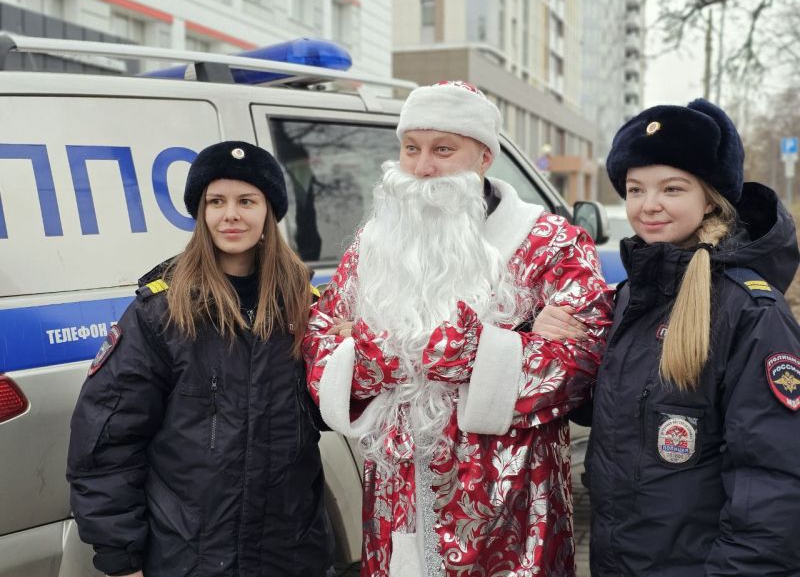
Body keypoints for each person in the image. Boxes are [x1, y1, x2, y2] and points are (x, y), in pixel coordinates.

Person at [303, 80, 614, 576]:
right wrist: (367, 358)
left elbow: (584, 358)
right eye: (411, 149)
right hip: (398, 504)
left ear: (485, 156)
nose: (423, 167)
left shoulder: (550, 242)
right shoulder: (374, 243)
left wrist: (475, 354)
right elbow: (322, 337)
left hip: (511, 503)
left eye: (443, 149)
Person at [67, 141, 334, 577]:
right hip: (190, 556)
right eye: (216, 201)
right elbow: (107, 442)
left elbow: (335, 415)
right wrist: (122, 558)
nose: (231, 214)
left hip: (290, 552)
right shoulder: (161, 313)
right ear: (201, 214)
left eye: (246, 200)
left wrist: (352, 356)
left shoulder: (306, 309)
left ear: (269, 212)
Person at [578, 98, 800, 575]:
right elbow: (613, 412)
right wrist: (544, 335)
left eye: (671, 188)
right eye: (635, 189)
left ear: (711, 198)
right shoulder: (633, 296)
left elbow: (774, 481)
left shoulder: (751, 312)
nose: (648, 205)